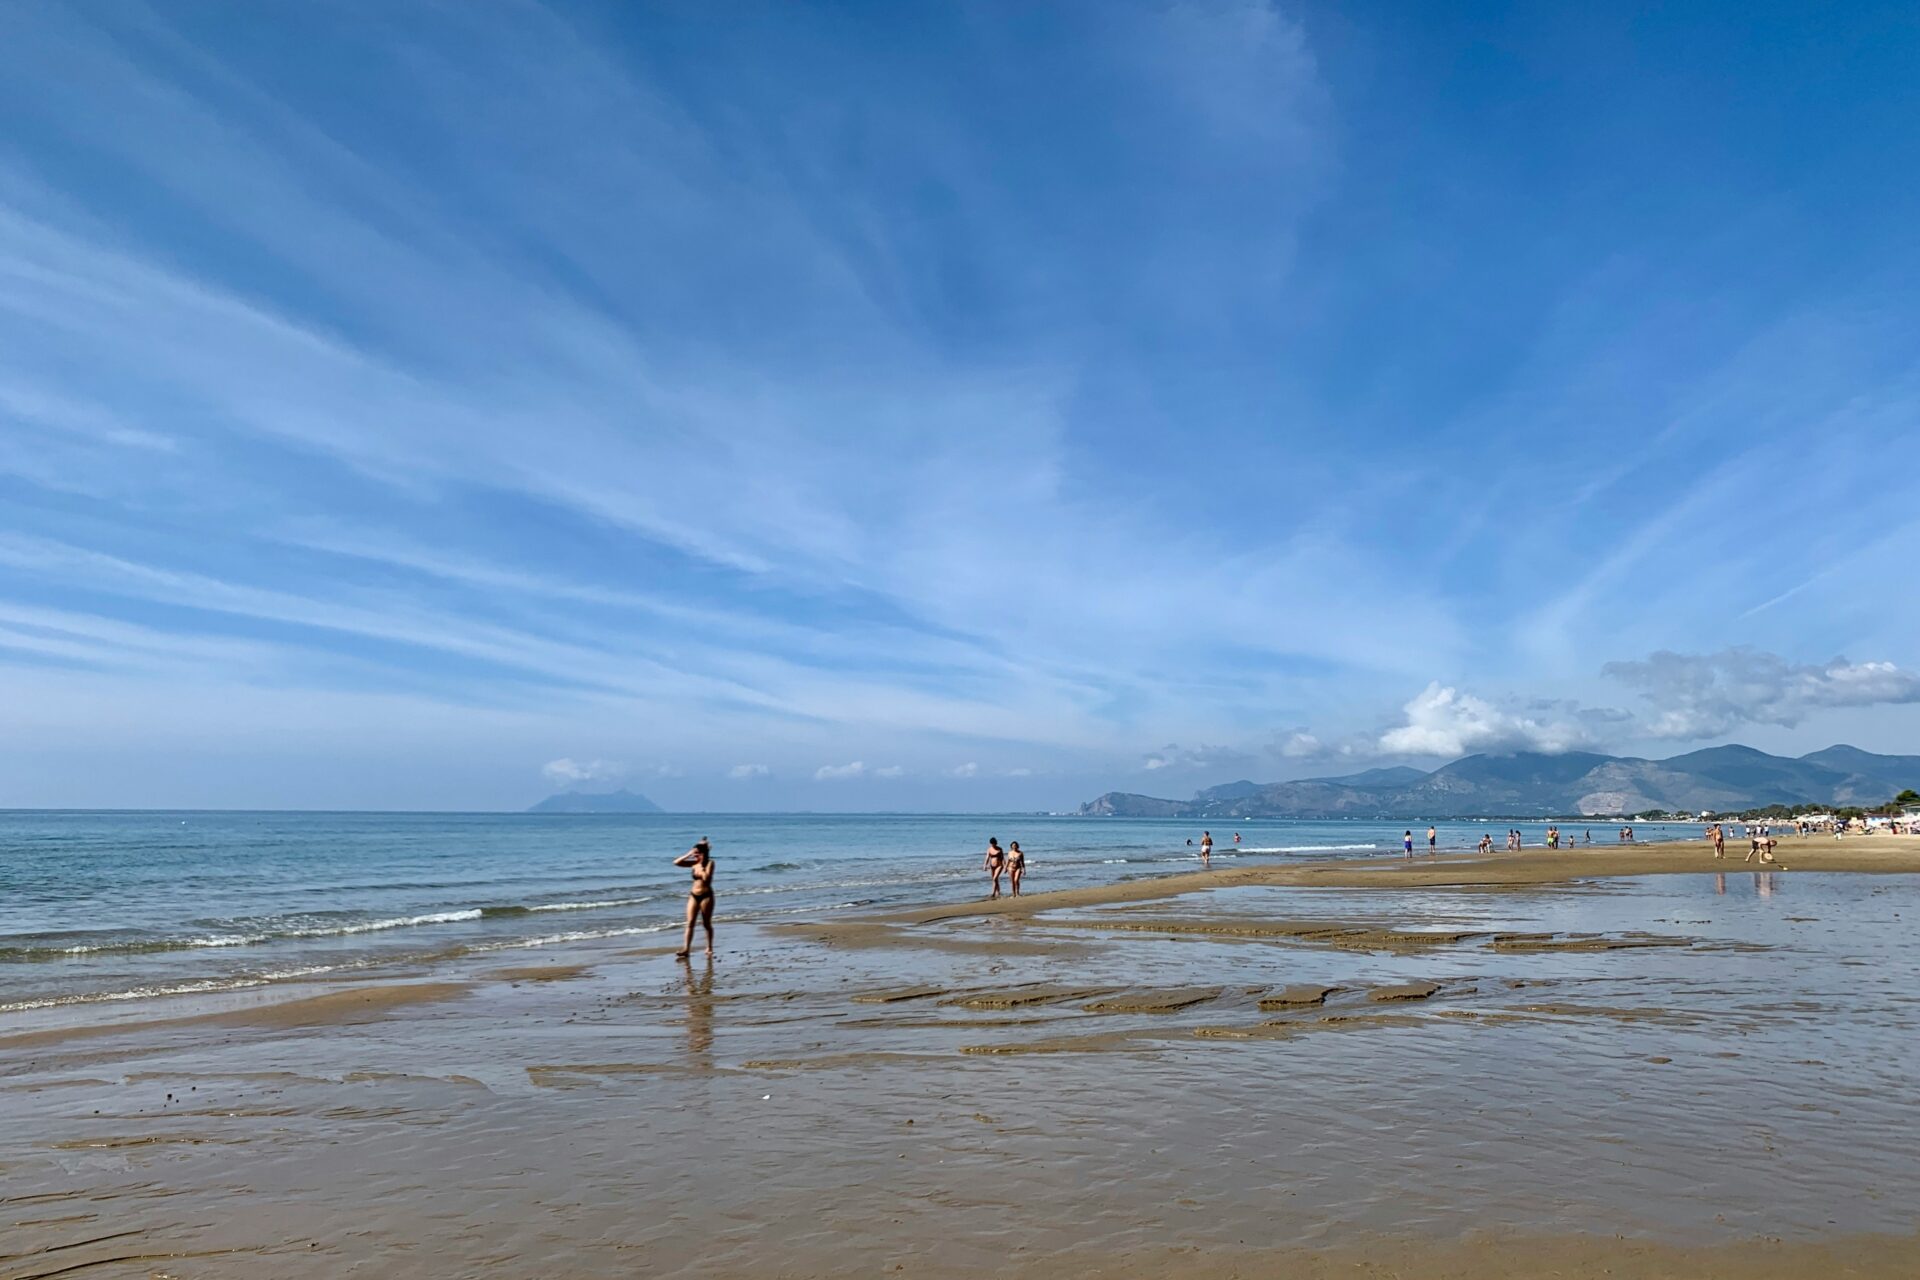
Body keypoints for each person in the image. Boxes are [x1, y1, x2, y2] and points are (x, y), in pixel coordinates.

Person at [673, 838, 716, 960]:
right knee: (690, 922)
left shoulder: (710, 863)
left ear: (703, 853)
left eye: (697, 852)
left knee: (706, 923)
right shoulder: (694, 863)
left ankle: (709, 947)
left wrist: (701, 868)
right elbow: (676, 862)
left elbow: (706, 878)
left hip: (706, 896)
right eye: (694, 852)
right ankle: (686, 949)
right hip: (693, 895)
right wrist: (688, 854)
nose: (695, 854)